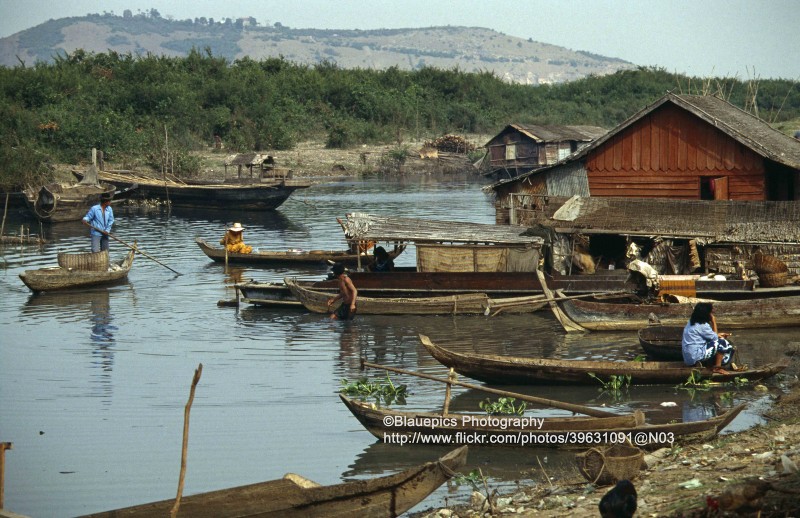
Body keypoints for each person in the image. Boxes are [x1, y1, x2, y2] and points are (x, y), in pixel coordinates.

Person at [681, 302, 735, 374]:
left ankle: (710, 365)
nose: (711, 315)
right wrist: (713, 321)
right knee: (723, 342)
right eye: (710, 313)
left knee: (715, 343)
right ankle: (717, 368)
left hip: (688, 358)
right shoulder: (703, 325)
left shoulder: (691, 322)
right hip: (695, 356)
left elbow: (708, 335)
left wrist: (717, 334)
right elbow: (715, 338)